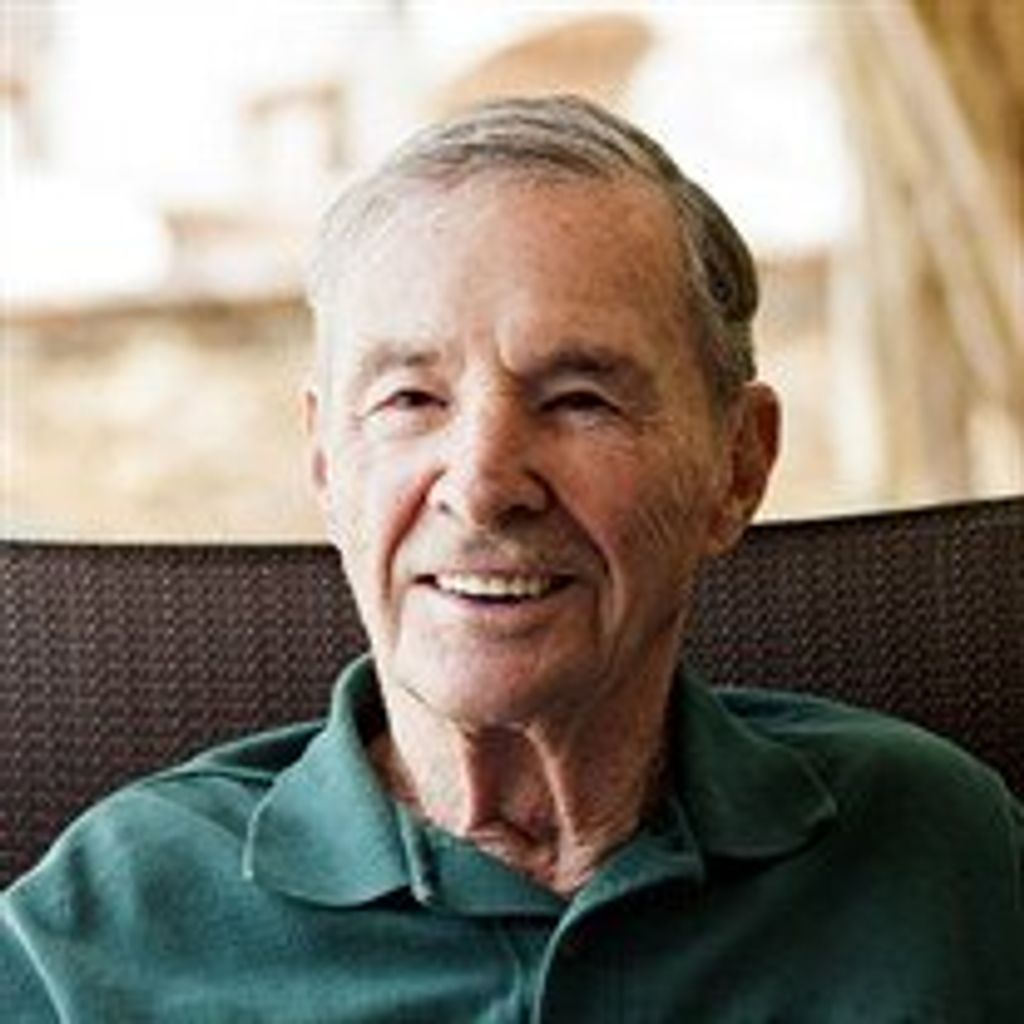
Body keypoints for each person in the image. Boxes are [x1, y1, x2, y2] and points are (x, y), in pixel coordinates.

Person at [2, 95, 1021, 1022]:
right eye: (410, 400)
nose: (484, 484)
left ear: (738, 465)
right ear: (325, 462)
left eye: (580, 399)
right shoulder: (111, 919)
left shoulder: (940, 851)